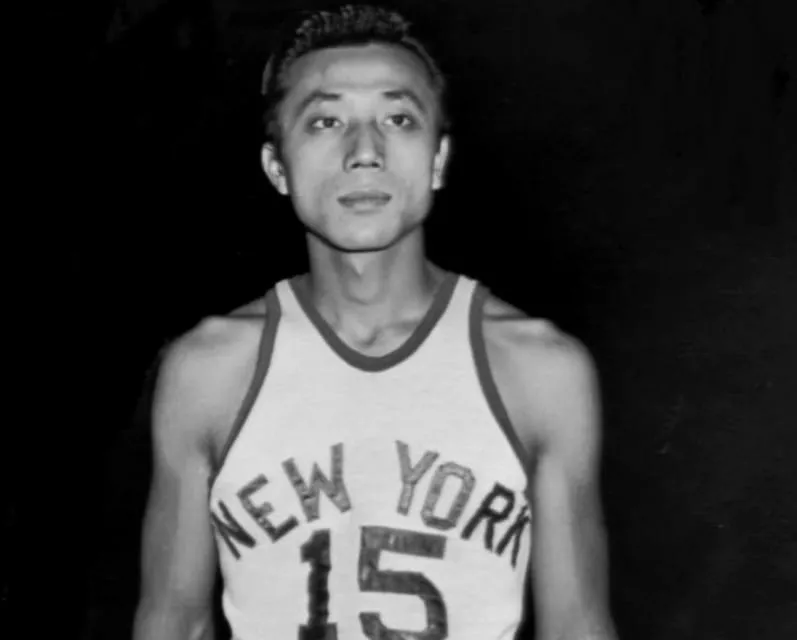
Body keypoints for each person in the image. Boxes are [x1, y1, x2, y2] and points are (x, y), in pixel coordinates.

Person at [132, 4, 618, 640]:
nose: (365, 151)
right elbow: (174, 621)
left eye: (398, 118)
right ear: (277, 167)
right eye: (326, 121)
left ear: (438, 159)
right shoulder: (208, 372)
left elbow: (577, 626)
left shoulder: (540, 371)